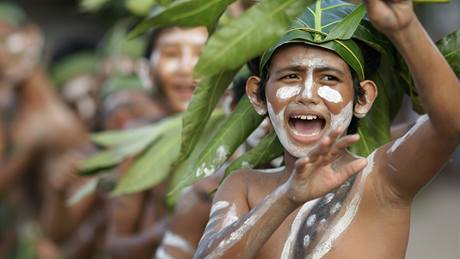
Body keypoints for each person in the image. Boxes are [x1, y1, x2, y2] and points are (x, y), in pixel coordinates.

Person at [193, 0, 460, 258]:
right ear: (257, 95)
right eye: (291, 76)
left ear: (363, 98)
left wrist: (404, 27)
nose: (307, 94)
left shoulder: (382, 179)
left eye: (329, 78)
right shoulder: (244, 186)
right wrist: (287, 197)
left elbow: (451, 124)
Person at [104, 26, 207, 259]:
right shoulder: (141, 140)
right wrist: (165, 233)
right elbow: (115, 245)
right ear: (147, 71)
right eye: (171, 54)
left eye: (202, 54)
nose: (186, 67)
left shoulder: (254, 133)